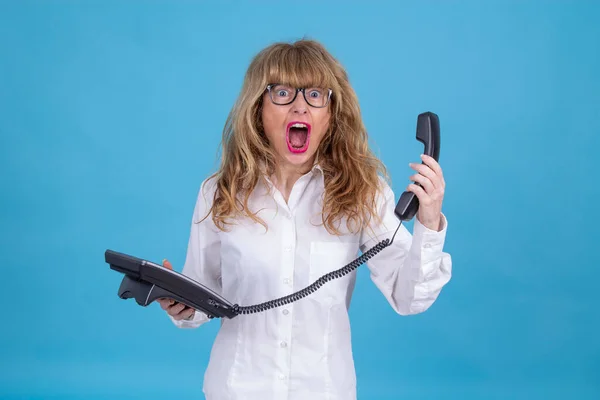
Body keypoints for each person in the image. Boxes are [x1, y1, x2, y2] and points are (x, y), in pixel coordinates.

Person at [157, 39, 452, 400]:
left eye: (315, 94)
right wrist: (182, 305)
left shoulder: (362, 191)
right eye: (282, 92)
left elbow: (411, 298)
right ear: (258, 108)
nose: (300, 105)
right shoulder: (219, 191)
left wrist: (428, 218)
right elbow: (201, 296)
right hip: (236, 390)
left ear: (330, 112)